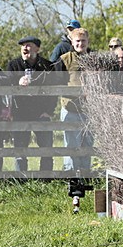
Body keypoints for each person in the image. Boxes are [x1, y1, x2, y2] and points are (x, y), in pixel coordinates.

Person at [7, 36, 57, 172]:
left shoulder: (47, 66)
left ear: (37, 49)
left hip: (41, 112)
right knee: (20, 149)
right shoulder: (14, 65)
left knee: (46, 148)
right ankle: (21, 179)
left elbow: (54, 91)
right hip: (20, 113)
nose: (24, 48)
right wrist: (17, 82)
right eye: (22, 45)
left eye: (28, 45)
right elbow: (7, 84)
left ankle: (46, 178)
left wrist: (49, 111)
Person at [53, 28, 93, 173]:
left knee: (87, 143)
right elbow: (57, 83)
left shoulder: (94, 59)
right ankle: (71, 175)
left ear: (88, 41)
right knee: (71, 144)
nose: (80, 44)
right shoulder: (64, 59)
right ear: (72, 42)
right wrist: (75, 93)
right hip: (70, 107)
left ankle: (85, 173)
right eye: (77, 41)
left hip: (90, 110)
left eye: (83, 41)